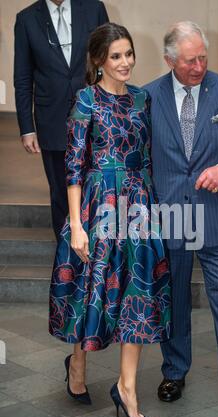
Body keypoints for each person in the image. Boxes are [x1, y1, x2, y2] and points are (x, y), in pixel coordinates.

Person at [49, 23, 171, 417]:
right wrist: (76, 225)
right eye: (116, 56)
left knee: (137, 292)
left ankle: (127, 387)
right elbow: (73, 166)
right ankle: (78, 363)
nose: (125, 62)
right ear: (99, 59)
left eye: (129, 54)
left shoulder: (142, 99)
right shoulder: (86, 100)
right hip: (98, 204)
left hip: (137, 205)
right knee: (93, 290)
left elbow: (148, 157)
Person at [144, 21, 218, 416]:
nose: (199, 66)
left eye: (203, 57)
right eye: (190, 60)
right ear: (170, 60)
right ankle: (174, 372)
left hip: (217, 217)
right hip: (171, 217)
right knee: (174, 301)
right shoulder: (147, 97)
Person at [14, 0, 109, 241]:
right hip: (52, 119)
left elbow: (108, 60)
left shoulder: (93, 8)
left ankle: (98, 250)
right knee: (60, 191)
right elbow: (23, 77)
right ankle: (67, 255)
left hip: (93, 115)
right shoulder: (26, 19)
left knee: (97, 186)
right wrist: (27, 127)